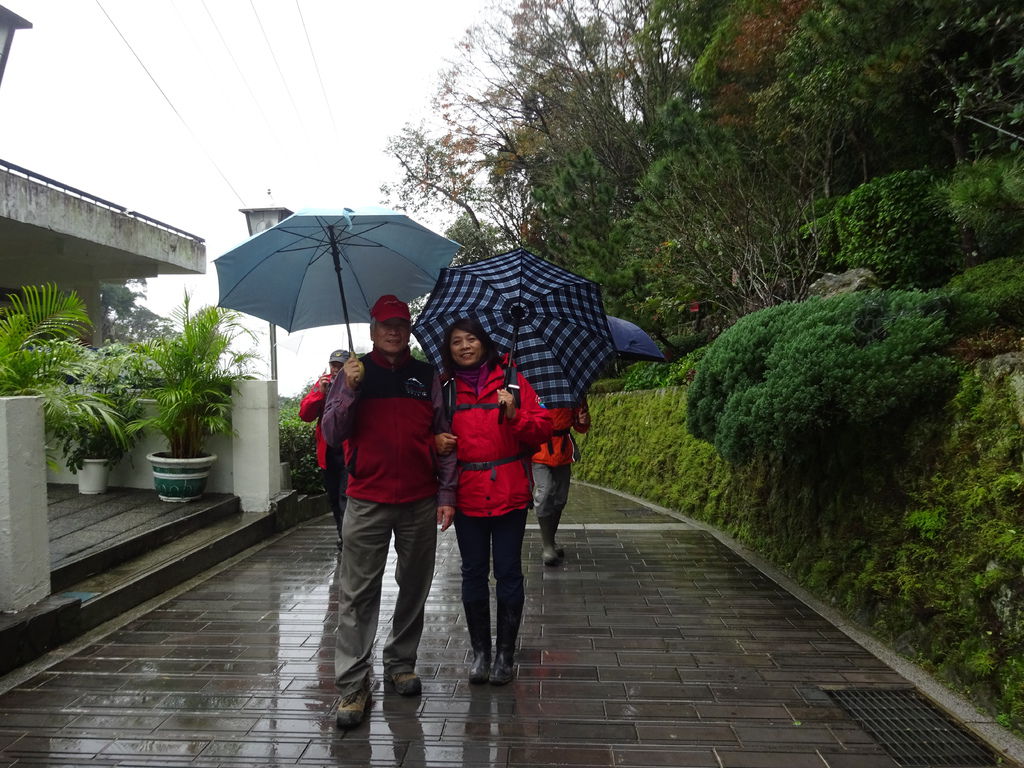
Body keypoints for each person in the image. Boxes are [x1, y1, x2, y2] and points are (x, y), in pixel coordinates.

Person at [320, 294, 457, 730]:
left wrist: (446, 493)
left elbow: (443, 433)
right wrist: (350, 389)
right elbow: (331, 432)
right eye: (385, 325)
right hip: (366, 499)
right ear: (372, 331)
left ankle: (400, 661)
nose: (393, 331)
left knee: (415, 585)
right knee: (357, 593)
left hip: (419, 498)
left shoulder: (427, 375)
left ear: (409, 329)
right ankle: (353, 683)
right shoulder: (353, 373)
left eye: (400, 324)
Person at [433, 317, 552, 686]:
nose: (464, 347)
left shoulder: (513, 381)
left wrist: (515, 414)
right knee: (472, 573)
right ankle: (481, 654)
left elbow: (543, 428)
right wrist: (435, 442)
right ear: (448, 349)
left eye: (471, 339)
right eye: (456, 341)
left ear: (484, 342)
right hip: (467, 495)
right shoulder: (445, 388)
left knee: (508, 572)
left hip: (509, 494)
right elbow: (430, 433)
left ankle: (505, 654)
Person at [298, 348, 350, 549]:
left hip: (349, 451)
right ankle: (341, 533)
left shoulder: (355, 383)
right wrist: (320, 393)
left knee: (346, 496)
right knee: (334, 497)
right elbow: (305, 414)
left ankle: (347, 538)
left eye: (340, 365)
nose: (336, 369)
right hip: (328, 452)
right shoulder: (323, 383)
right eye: (333, 365)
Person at [531, 396, 590, 566]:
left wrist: (582, 421)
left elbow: (580, 424)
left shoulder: (572, 393)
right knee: (545, 492)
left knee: (560, 498)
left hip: (563, 450)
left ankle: (551, 540)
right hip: (539, 449)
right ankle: (547, 546)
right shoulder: (531, 389)